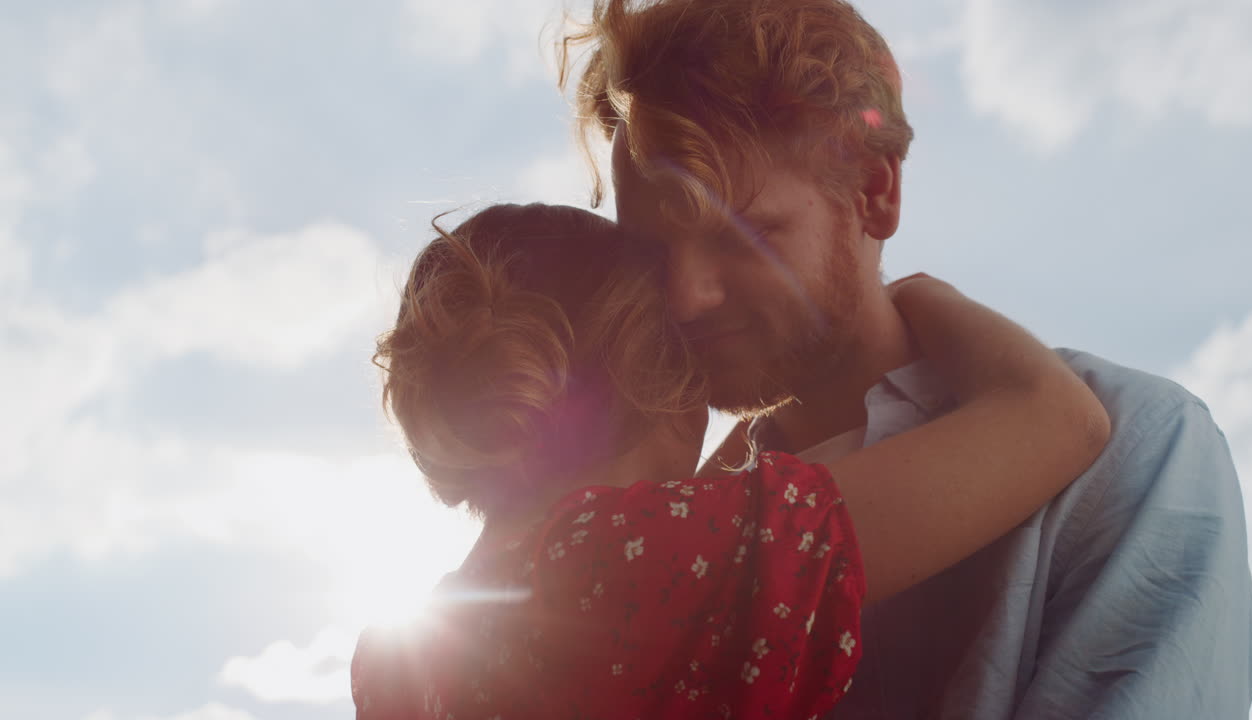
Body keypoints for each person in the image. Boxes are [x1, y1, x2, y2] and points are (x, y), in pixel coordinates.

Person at [564, 0, 1252, 717]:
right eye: (650, 252)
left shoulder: (1138, 444)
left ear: (874, 192)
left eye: (740, 231)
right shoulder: (668, 538)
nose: (685, 298)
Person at [350, 202, 1109, 719]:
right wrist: (915, 295)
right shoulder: (634, 560)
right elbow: (1058, 418)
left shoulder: (395, 660)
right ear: (665, 374)